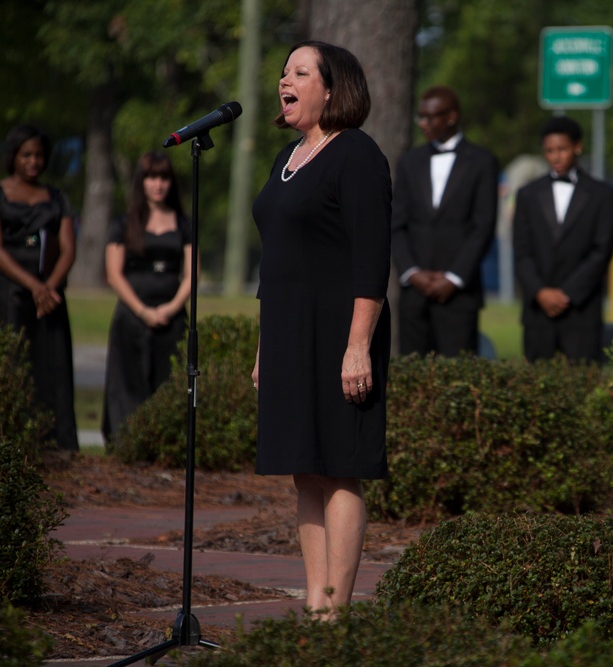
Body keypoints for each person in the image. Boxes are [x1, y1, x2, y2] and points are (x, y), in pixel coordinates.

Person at [250, 40, 391, 616]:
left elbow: (371, 261)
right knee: (305, 470)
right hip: (287, 333)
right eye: (284, 72)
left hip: (339, 334)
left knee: (339, 469)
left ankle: (335, 607)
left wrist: (358, 347)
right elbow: (276, 263)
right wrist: (265, 348)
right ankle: (314, 604)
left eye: (300, 72)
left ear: (332, 90)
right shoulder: (287, 158)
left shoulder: (355, 153)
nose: (285, 80)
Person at [0, 124, 79, 452]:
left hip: (48, 298)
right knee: (11, 364)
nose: (33, 161)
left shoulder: (57, 198)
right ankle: (4, 441)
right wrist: (33, 285)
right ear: (13, 157)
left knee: (52, 367)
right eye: (26, 155)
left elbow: (68, 248)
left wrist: (49, 287)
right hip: (9, 294)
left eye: (38, 155)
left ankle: (56, 443)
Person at [391, 85, 498, 356]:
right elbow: (397, 223)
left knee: (457, 377)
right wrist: (412, 272)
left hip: (459, 294)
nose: (424, 123)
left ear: (452, 117)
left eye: (431, 117)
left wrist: (454, 277)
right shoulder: (409, 162)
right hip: (414, 294)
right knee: (412, 377)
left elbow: (483, 226)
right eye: (421, 117)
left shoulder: (482, 162)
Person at [101, 151, 191, 444]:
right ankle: (126, 443)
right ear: (141, 181)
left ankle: (166, 444)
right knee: (127, 384)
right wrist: (143, 311)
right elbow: (114, 275)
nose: (158, 184)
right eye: (152, 177)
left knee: (168, 382)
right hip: (131, 316)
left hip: (172, 317)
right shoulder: (124, 223)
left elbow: (191, 275)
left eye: (164, 177)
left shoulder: (184, 223)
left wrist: (171, 308)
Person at [512, 116, 613, 362]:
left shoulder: (602, 194)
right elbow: (521, 251)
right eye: (549, 151)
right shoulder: (527, 194)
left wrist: (568, 293)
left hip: (581, 310)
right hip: (538, 312)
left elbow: (602, 250)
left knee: (584, 383)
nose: (556, 157)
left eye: (562, 149)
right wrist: (540, 292)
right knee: (538, 386)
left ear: (577, 147)